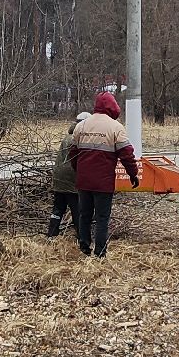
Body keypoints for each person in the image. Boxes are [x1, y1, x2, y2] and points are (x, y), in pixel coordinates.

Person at [67, 91, 139, 258]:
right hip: (103, 183)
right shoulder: (115, 127)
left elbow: (73, 153)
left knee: (84, 215)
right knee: (102, 218)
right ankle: (100, 252)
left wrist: (79, 170)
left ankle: (84, 246)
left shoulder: (81, 125)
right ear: (112, 107)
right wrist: (133, 174)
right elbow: (127, 154)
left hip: (84, 181)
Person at [47, 111, 89, 237]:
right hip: (71, 179)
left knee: (58, 208)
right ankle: (81, 237)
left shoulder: (67, 137)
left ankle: (51, 234)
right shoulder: (79, 138)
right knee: (77, 209)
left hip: (58, 177)